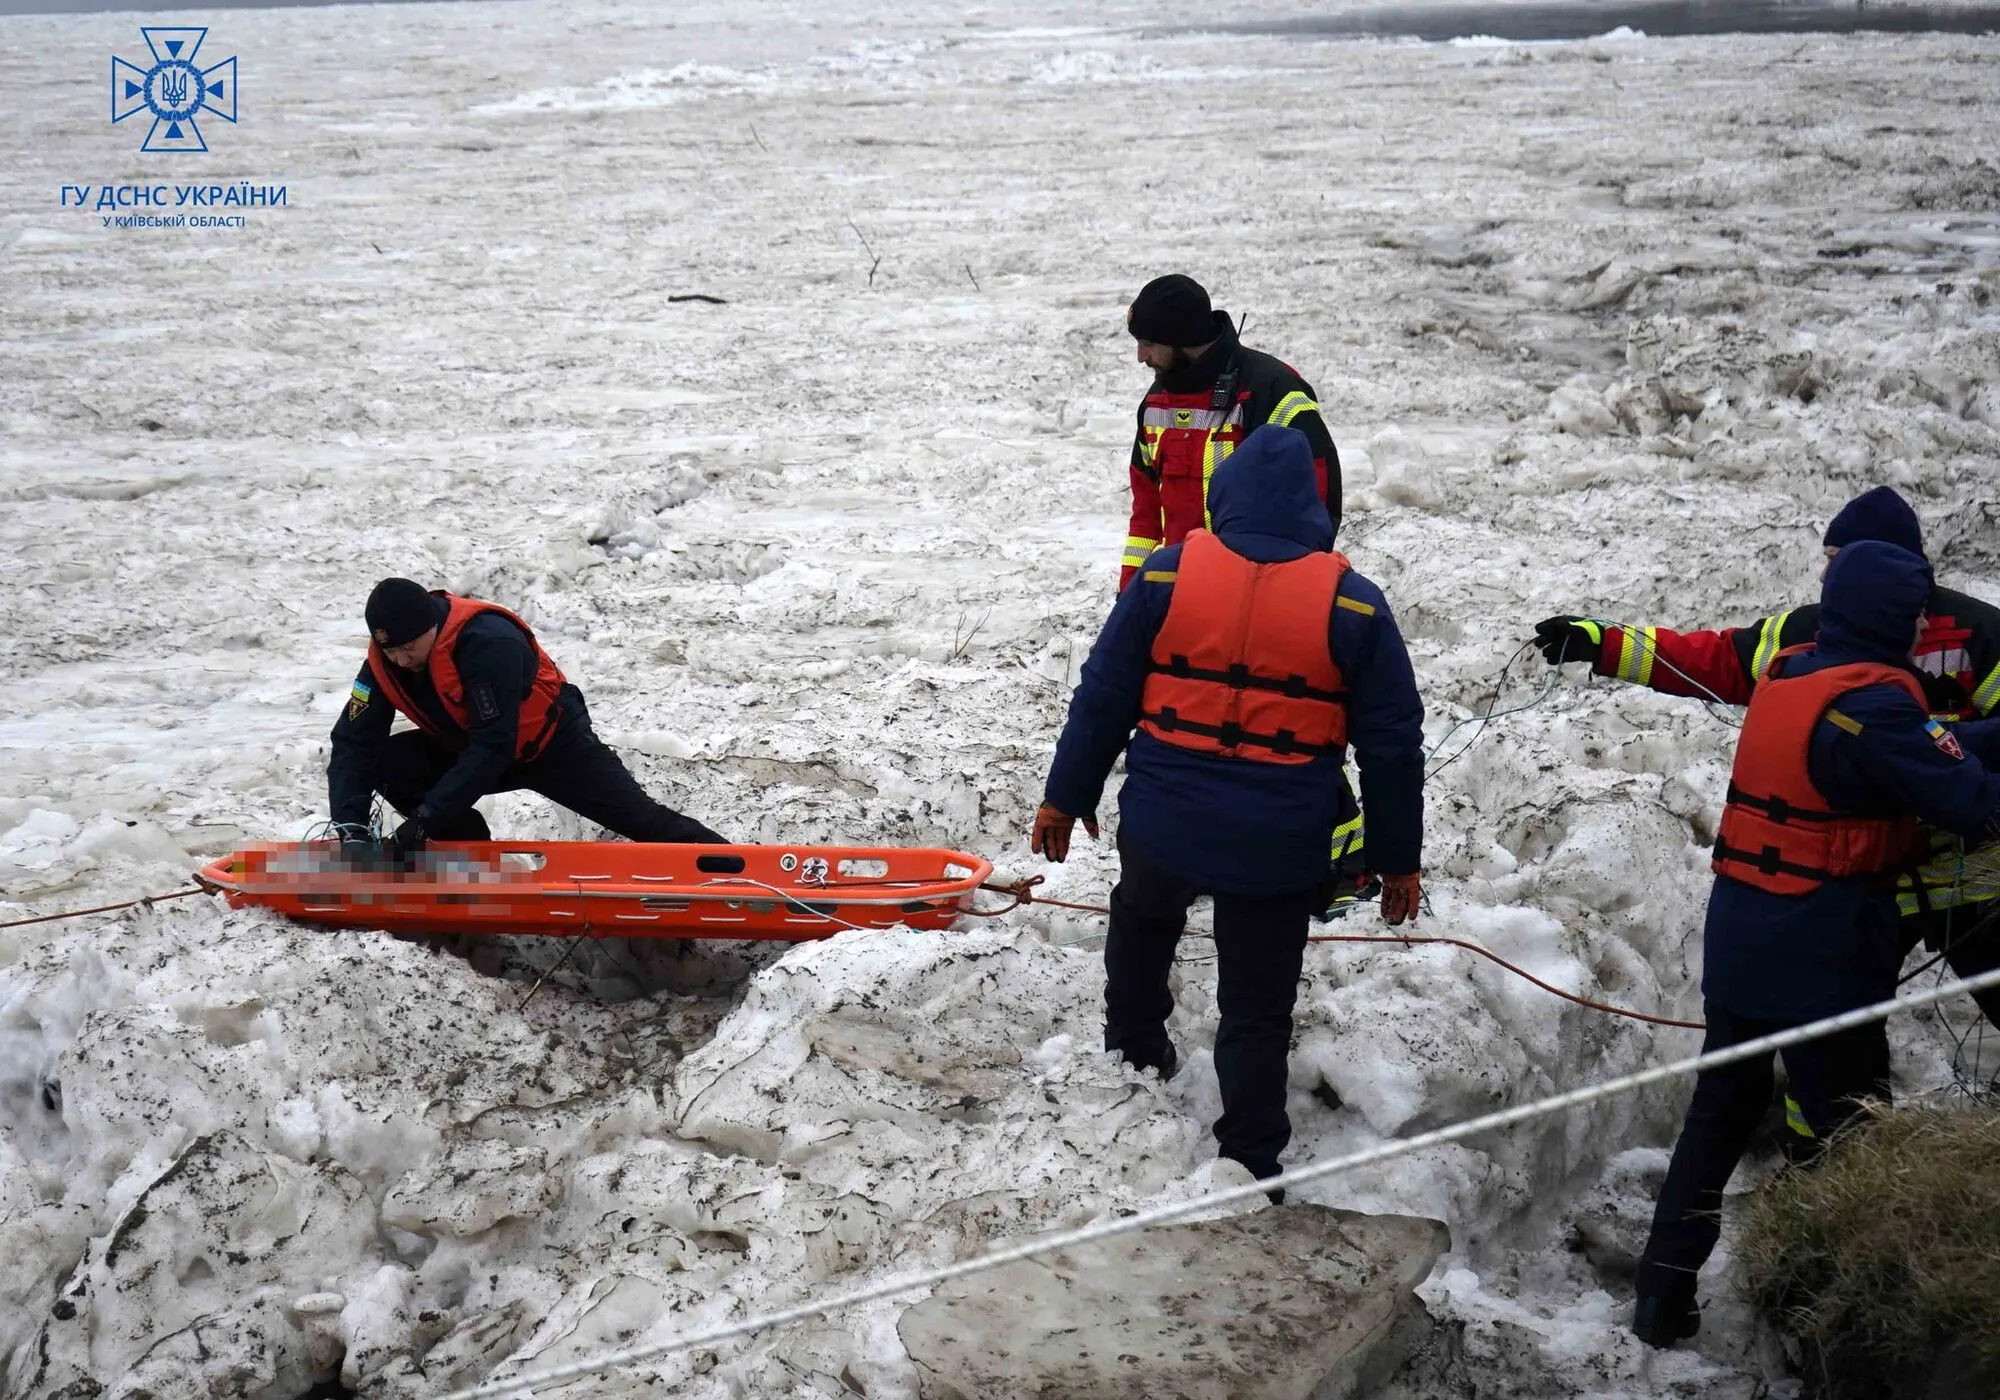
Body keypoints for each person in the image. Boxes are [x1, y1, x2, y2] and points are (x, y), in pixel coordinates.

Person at [1034, 424, 1424, 1192]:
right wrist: (1397, 859)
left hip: (1164, 819)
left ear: (1225, 498)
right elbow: (1391, 744)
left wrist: (1065, 795)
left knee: (1142, 927)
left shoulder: (1169, 577)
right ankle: (1249, 1156)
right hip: (1276, 841)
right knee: (1257, 1002)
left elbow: (1103, 694)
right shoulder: (1354, 604)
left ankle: (1136, 1055)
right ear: (1311, 510)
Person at [1631, 541, 2000, 1348]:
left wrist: (1978, 739)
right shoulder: (1877, 704)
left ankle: (1661, 1295)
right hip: (1822, 952)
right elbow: (1967, 799)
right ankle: (1821, 1303)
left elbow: (1908, 749)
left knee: (1721, 1111)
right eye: (1908, 619)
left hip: (1740, 937)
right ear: (1885, 619)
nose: (1916, 633)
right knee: (1848, 1127)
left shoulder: (1794, 676)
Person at [1533, 486, 2000, 1030]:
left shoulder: (1981, 634)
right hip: (1861, 884)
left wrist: (1933, 744)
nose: (1826, 578)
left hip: (1968, 874)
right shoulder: (1808, 629)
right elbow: (1717, 660)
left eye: (1837, 562)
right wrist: (1605, 644)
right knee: (1842, 1034)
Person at [327, 578, 724, 857]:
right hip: (468, 748)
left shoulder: (488, 642)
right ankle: (466, 855)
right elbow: (352, 744)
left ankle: (739, 869)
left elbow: (494, 746)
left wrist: (424, 821)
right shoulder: (386, 663)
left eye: (408, 648)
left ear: (432, 624)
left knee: (643, 820)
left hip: (551, 746)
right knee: (388, 762)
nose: (400, 660)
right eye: (390, 651)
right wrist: (352, 830)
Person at [1119, 274, 1342, 592]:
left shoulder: (1272, 391)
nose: (1141, 356)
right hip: (1178, 599)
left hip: (1253, 598)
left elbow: (1315, 509)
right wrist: (1130, 598)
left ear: (1181, 338)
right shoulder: (1156, 404)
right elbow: (1146, 517)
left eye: (1149, 344)